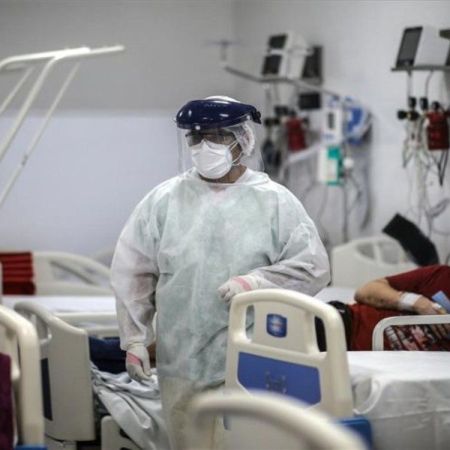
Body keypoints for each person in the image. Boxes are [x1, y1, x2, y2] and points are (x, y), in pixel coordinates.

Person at [111, 95, 330, 449]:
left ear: (243, 139)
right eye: (196, 138)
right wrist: (134, 338)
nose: (204, 146)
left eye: (215, 136)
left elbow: (314, 266)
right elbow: (134, 271)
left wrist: (257, 282)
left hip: (254, 356)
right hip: (181, 361)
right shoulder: (164, 201)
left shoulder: (275, 201)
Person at [316, 264, 450, 351]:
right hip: (349, 325)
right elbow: (364, 291)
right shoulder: (442, 277)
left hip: (380, 364)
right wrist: (416, 302)